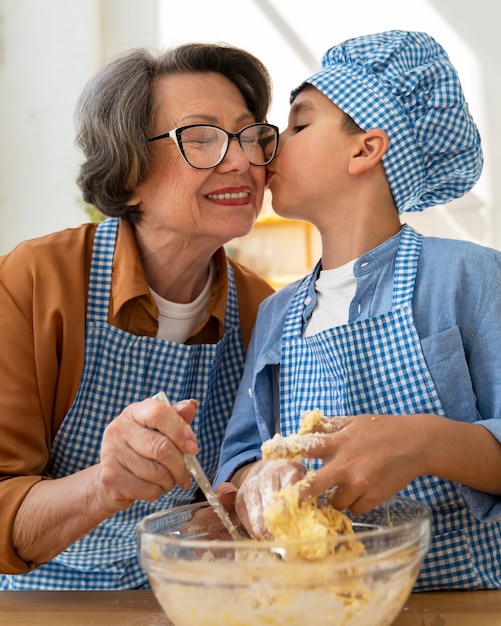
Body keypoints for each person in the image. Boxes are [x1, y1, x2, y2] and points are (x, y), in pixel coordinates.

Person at [214, 30, 501, 591]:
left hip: (469, 599)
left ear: (365, 149)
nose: (272, 143)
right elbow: (240, 456)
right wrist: (256, 479)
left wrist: (423, 442)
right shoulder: (275, 314)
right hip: (318, 601)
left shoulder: (469, 277)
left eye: (298, 124)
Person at [0, 42, 277, 589]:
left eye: (250, 136)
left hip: (183, 598)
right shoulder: (33, 280)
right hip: (37, 602)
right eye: (201, 137)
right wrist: (106, 483)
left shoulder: (264, 308)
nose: (242, 160)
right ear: (127, 172)